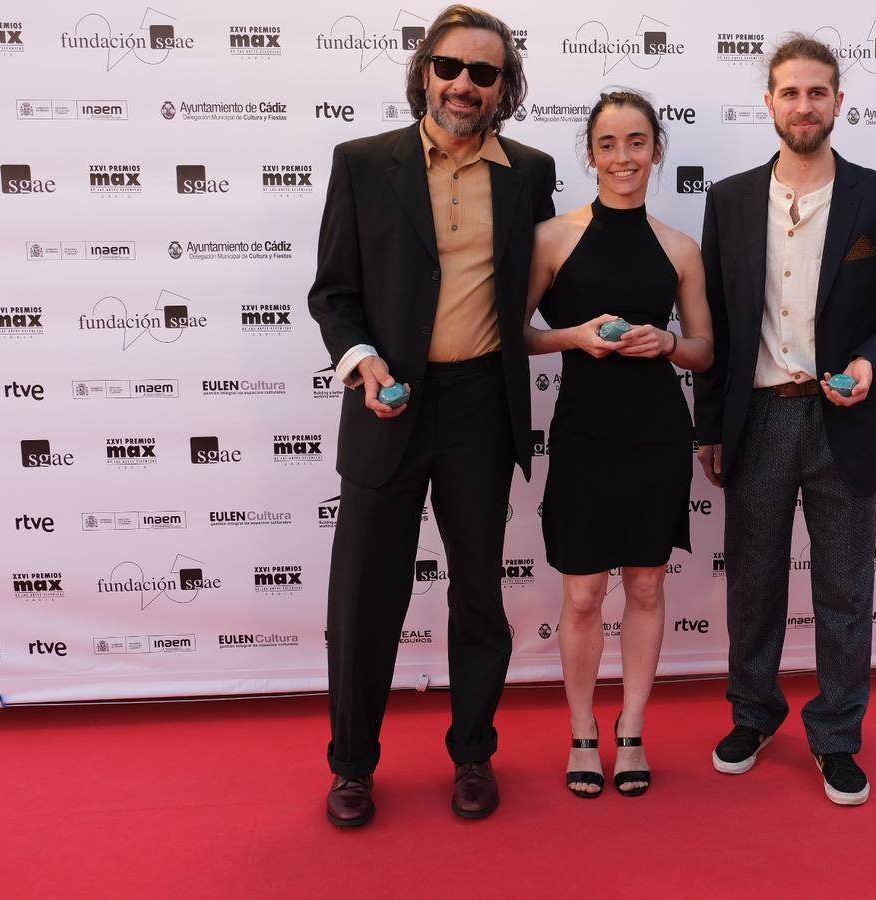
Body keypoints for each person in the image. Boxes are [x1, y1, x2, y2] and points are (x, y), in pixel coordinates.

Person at [307, 4, 556, 827]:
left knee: (478, 592)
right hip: (387, 404)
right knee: (364, 595)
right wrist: (360, 360)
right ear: (424, 71)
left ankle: (474, 754)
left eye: (484, 73)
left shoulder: (529, 172)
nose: (464, 85)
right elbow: (334, 296)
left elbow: (544, 282)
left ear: (503, 87)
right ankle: (351, 767)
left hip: (481, 404)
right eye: (450, 67)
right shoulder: (362, 163)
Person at [693, 36, 876, 805]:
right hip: (757, 419)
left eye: (817, 92)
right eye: (790, 92)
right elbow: (719, 329)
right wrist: (710, 428)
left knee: (844, 590)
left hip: (846, 423)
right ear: (769, 103)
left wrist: (869, 363)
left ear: (838, 103)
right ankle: (754, 713)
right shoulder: (728, 200)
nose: (804, 105)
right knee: (753, 588)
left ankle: (836, 735)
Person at [523, 91, 713, 798]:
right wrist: (572, 336)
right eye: (608, 144)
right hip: (583, 432)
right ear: (592, 154)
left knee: (646, 583)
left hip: (657, 432)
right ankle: (581, 731)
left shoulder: (678, 247)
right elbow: (512, 333)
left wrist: (666, 342)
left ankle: (631, 729)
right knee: (580, 595)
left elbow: (704, 349)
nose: (624, 157)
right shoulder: (552, 238)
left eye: (637, 142)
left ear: (656, 150)